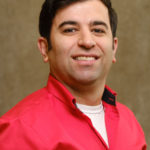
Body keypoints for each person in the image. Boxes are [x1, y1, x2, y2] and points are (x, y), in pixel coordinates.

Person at [0, 0, 147, 149]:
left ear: (114, 48)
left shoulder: (129, 123)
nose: (87, 41)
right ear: (44, 48)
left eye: (98, 30)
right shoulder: (19, 128)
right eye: (70, 30)